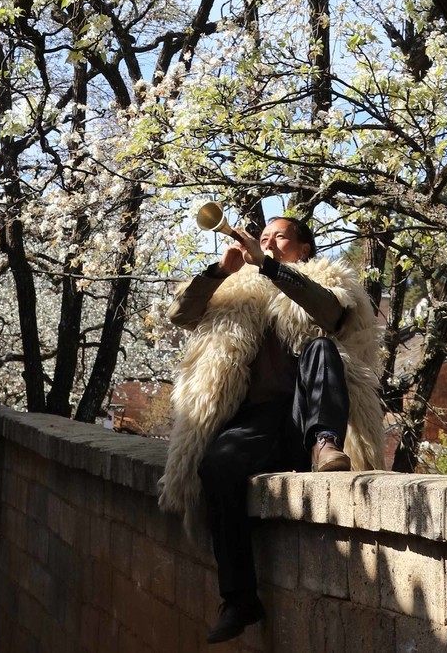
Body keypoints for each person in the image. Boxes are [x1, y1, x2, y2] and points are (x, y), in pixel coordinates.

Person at [158, 215, 385, 644]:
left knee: (320, 347)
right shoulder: (234, 290)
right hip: (256, 420)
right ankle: (239, 599)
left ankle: (325, 445)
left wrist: (269, 267)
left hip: (307, 414)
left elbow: (330, 314)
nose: (268, 243)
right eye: (263, 238)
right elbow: (180, 314)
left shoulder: (326, 278)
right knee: (216, 468)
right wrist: (220, 272)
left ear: (303, 249)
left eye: (279, 238)